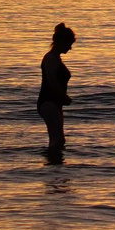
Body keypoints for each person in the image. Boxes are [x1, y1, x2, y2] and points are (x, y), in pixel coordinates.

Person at [37, 23, 75, 163]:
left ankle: (55, 167)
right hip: (48, 102)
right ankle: (52, 166)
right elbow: (52, 82)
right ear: (61, 42)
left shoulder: (56, 58)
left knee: (59, 139)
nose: (70, 48)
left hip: (55, 103)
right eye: (69, 44)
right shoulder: (50, 58)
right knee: (57, 139)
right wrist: (64, 97)